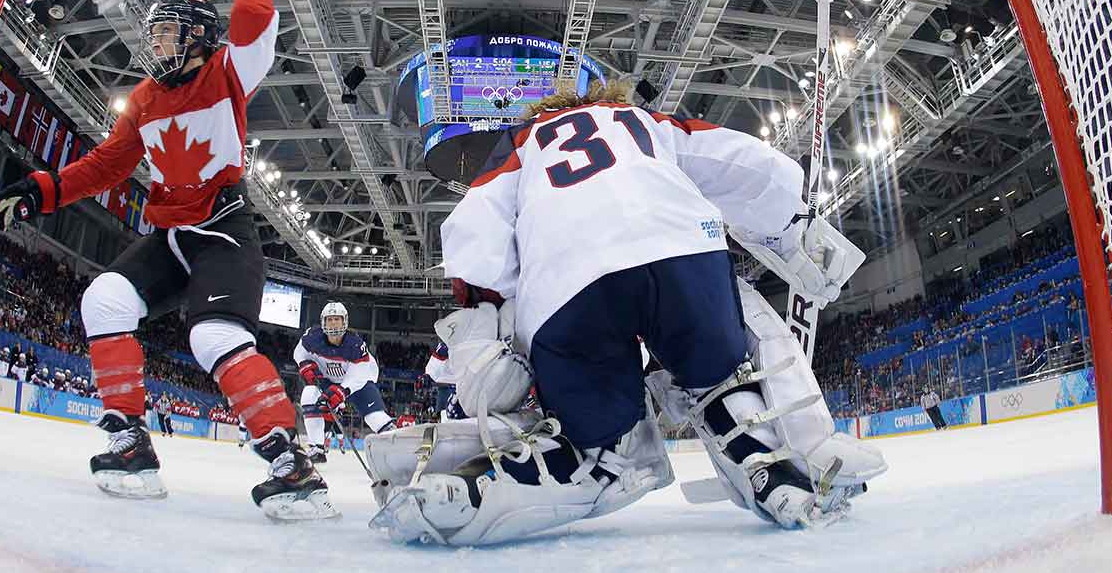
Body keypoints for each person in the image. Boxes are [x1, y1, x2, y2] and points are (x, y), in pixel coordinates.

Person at [368, 81, 886, 546]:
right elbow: (745, 163)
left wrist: (486, 320)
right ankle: (777, 459)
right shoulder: (640, 120)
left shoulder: (522, 144)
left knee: (604, 448)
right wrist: (791, 228)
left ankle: (489, 484)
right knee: (727, 360)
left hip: (567, 284)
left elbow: (473, 230)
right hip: (684, 253)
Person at [0, 0, 333, 521]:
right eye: (154, 38)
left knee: (214, 337)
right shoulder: (145, 101)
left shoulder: (227, 74)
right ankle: (129, 443)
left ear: (197, 38)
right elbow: (104, 166)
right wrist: (42, 190)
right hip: (173, 234)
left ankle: (291, 463)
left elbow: (253, 23)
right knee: (104, 301)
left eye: (166, 36)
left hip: (223, 229)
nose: (155, 47)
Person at [293, 301, 395, 463]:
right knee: (309, 394)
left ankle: (396, 446)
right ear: (323, 321)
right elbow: (299, 352)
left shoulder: (355, 344)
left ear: (345, 321)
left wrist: (343, 390)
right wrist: (304, 364)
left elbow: (359, 374)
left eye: (337, 319)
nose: (333, 323)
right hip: (327, 381)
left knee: (375, 418)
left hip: (359, 383)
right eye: (330, 319)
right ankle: (316, 448)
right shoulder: (312, 337)